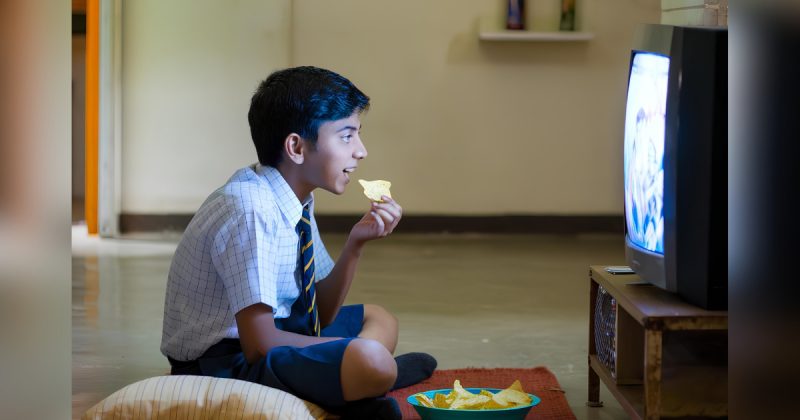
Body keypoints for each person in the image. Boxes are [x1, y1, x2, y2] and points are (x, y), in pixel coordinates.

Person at [160, 66, 436, 419]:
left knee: (380, 319)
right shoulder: (251, 209)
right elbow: (259, 346)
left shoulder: (295, 198)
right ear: (296, 147)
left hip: (276, 332)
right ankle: (367, 381)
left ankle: (362, 381)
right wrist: (351, 349)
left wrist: (355, 244)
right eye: (347, 136)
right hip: (223, 364)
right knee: (370, 357)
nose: (361, 151)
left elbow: (318, 313)